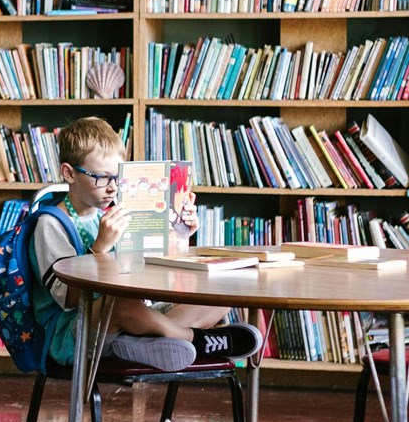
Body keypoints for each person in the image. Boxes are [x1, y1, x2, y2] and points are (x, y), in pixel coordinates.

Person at [33, 115, 261, 371]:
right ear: (69, 173)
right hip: (76, 331)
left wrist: (181, 233)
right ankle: (196, 341)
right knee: (118, 305)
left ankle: (145, 344)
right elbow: (70, 300)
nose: (111, 188)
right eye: (101, 178)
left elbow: (151, 275)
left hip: (133, 316)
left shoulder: (110, 214)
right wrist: (100, 248)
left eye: (117, 179)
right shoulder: (50, 224)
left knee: (221, 295)